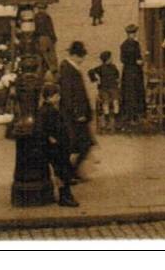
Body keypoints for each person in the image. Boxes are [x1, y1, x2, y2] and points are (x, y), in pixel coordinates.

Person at [38, 83, 78, 207]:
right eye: (56, 95)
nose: (59, 97)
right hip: (56, 148)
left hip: (59, 146)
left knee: (63, 171)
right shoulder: (48, 111)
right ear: (49, 97)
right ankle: (64, 196)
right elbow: (46, 129)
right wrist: (53, 139)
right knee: (61, 172)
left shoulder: (49, 110)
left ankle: (65, 195)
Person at [59, 41, 94, 179]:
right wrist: (77, 113)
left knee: (83, 144)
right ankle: (68, 173)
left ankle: (71, 172)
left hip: (79, 114)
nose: (83, 59)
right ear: (74, 55)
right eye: (81, 56)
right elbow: (68, 94)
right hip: (73, 115)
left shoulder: (72, 67)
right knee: (77, 145)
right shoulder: (67, 69)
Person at [119, 25, 146, 126]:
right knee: (130, 94)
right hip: (129, 72)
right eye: (131, 33)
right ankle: (130, 117)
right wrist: (135, 61)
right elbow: (123, 59)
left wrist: (141, 61)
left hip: (137, 72)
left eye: (134, 33)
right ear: (128, 34)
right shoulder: (124, 45)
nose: (133, 35)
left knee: (138, 92)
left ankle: (138, 116)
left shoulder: (136, 44)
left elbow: (138, 56)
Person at [88, 50, 121, 132]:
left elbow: (117, 76)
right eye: (110, 58)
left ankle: (116, 121)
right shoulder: (100, 68)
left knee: (115, 101)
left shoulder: (113, 67)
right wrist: (95, 79)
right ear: (107, 59)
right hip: (104, 89)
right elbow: (90, 72)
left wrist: (117, 80)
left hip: (113, 88)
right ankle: (106, 121)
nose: (112, 59)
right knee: (105, 102)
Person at [34, 3, 59, 75]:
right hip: (46, 38)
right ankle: (54, 73)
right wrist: (54, 38)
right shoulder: (47, 17)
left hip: (38, 38)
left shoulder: (35, 17)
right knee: (51, 57)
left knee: (40, 57)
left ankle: (40, 73)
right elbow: (50, 28)